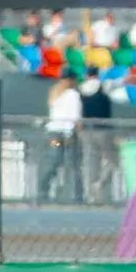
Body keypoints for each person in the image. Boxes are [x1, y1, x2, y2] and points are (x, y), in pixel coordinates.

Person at [42, 75, 82, 202]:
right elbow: (75, 116)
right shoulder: (73, 94)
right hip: (68, 135)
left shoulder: (54, 92)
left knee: (54, 159)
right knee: (72, 163)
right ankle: (76, 194)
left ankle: (43, 189)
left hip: (54, 134)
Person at [77, 66, 115, 201]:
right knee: (112, 160)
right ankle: (100, 183)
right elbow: (119, 83)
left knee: (91, 161)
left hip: (86, 130)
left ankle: (90, 193)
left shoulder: (80, 89)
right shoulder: (104, 86)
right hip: (103, 130)